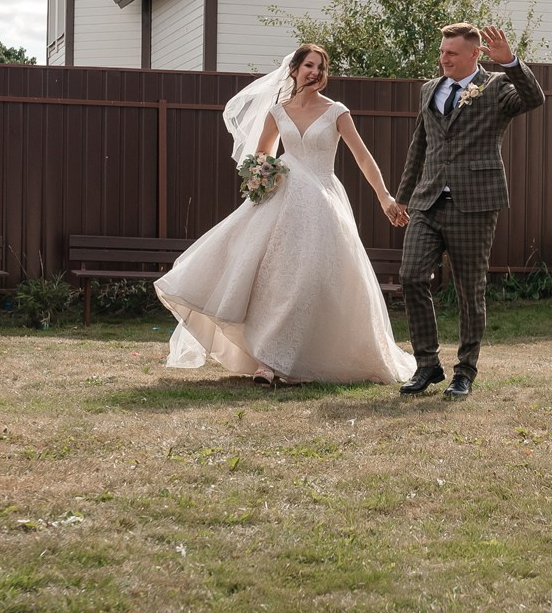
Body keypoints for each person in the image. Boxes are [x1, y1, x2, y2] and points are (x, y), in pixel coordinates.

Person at [158, 44, 416, 385]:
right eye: (309, 65)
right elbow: (263, 155)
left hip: (322, 202)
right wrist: (262, 176)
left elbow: (363, 158)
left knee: (308, 278)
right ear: (294, 69)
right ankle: (267, 362)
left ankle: (297, 357)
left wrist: (384, 197)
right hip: (282, 200)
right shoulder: (278, 112)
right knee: (273, 277)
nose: (316, 72)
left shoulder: (337, 111)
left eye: (321, 68)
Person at [395, 24, 545, 400]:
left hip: (475, 202)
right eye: (442, 51)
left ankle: (465, 371)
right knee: (411, 276)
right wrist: (403, 196)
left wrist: (510, 62)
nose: (443, 58)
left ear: (475, 54)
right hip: (427, 201)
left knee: (468, 290)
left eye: (451, 53)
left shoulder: (495, 87)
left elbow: (533, 98)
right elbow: (421, 144)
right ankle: (427, 365)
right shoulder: (430, 89)